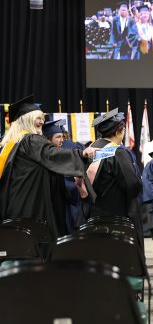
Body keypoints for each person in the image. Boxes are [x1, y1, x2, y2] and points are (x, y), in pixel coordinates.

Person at [0, 96, 96, 239]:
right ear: (26, 119)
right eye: (37, 118)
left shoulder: (13, 142)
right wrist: (81, 154)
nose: (42, 121)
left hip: (18, 202)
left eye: (42, 118)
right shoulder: (31, 140)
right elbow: (51, 154)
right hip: (32, 205)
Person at [86, 109, 144, 248]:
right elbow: (133, 184)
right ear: (119, 132)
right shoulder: (117, 152)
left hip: (95, 210)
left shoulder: (89, 150)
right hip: (120, 213)